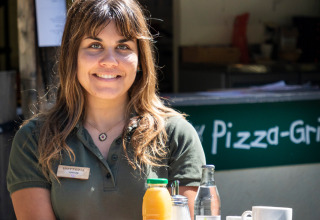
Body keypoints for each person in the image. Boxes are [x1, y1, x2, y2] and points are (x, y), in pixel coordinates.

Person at [7, 0, 206, 219]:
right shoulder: (34, 139)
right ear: (72, 56)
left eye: (123, 47)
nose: (109, 61)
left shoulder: (176, 135)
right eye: (95, 45)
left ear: (140, 60)